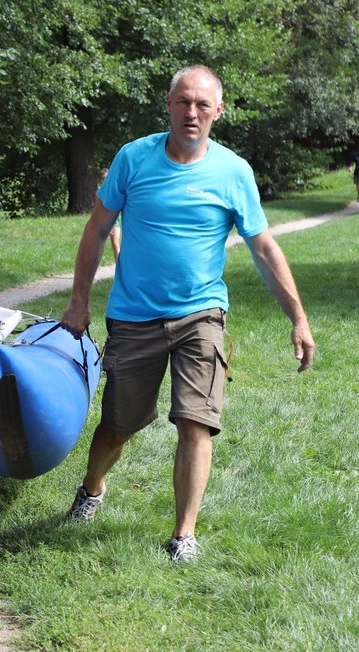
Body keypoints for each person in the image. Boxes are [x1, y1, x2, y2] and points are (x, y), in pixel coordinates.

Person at [59, 65, 315, 563]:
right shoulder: (134, 159)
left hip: (202, 313)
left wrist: (298, 318)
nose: (192, 112)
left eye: (202, 104)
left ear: (218, 111)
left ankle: (184, 534)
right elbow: (94, 231)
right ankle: (92, 489)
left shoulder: (233, 172)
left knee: (196, 423)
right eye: (183, 101)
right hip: (134, 316)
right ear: (169, 105)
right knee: (118, 424)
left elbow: (263, 247)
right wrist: (78, 300)